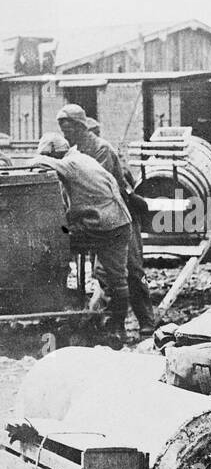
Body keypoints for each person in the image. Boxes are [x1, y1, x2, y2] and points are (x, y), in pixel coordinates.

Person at [57, 103, 155, 335]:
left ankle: (146, 321)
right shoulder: (75, 150)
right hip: (99, 218)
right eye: (62, 129)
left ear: (81, 126)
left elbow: (96, 188)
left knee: (132, 269)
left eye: (68, 128)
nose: (65, 133)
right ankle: (109, 323)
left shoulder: (100, 149)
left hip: (121, 214)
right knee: (103, 273)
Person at [33, 132, 133, 347]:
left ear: (55, 152)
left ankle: (116, 328)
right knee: (110, 276)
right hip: (110, 223)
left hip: (109, 226)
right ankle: (98, 318)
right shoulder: (83, 159)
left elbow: (40, 161)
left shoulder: (71, 163)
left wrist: (32, 161)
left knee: (116, 278)